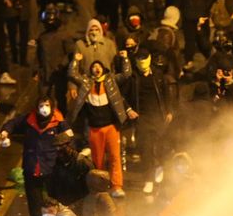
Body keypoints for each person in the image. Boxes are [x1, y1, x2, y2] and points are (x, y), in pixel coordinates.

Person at [0, 96, 75, 216]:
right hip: (31, 168)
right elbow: (12, 124)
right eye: (41, 106)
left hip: (51, 169)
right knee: (35, 203)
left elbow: (69, 137)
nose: (44, 109)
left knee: (55, 201)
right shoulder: (28, 120)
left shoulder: (58, 122)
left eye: (46, 105)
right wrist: (5, 132)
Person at [68, 52, 137, 197]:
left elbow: (126, 74)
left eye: (99, 66)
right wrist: (76, 60)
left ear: (104, 69)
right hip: (95, 129)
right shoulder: (87, 83)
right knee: (97, 159)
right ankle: (100, 186)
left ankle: (116, 186)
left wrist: (124, 58)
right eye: (94, 67)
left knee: (114, 157)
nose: (96, 69)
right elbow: (72, 74)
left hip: (111, 127)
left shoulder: (111, 80)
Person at [129, 48, 176, 194]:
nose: (142, 62)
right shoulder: (132, 77)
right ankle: (148, 179)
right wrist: (129, 110)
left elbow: (166, 94)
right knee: (145, 149)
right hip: (142, 118)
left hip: (158, 116)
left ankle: (159, 168)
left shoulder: (158, 74)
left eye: (145, 58)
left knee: (160, 146)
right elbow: (124, 96)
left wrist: (169, 111)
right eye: (139, 59)